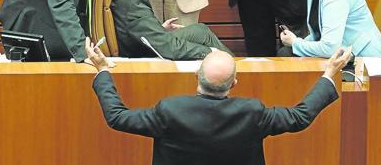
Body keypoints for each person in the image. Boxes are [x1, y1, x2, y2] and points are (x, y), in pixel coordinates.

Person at [85, 37, 352, 165]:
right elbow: (299, 117)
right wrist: (329, 73)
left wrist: (102, 70)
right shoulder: (252, 112)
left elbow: (117, 117)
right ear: (234, 84)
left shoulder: (170, 110)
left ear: (196, 77)